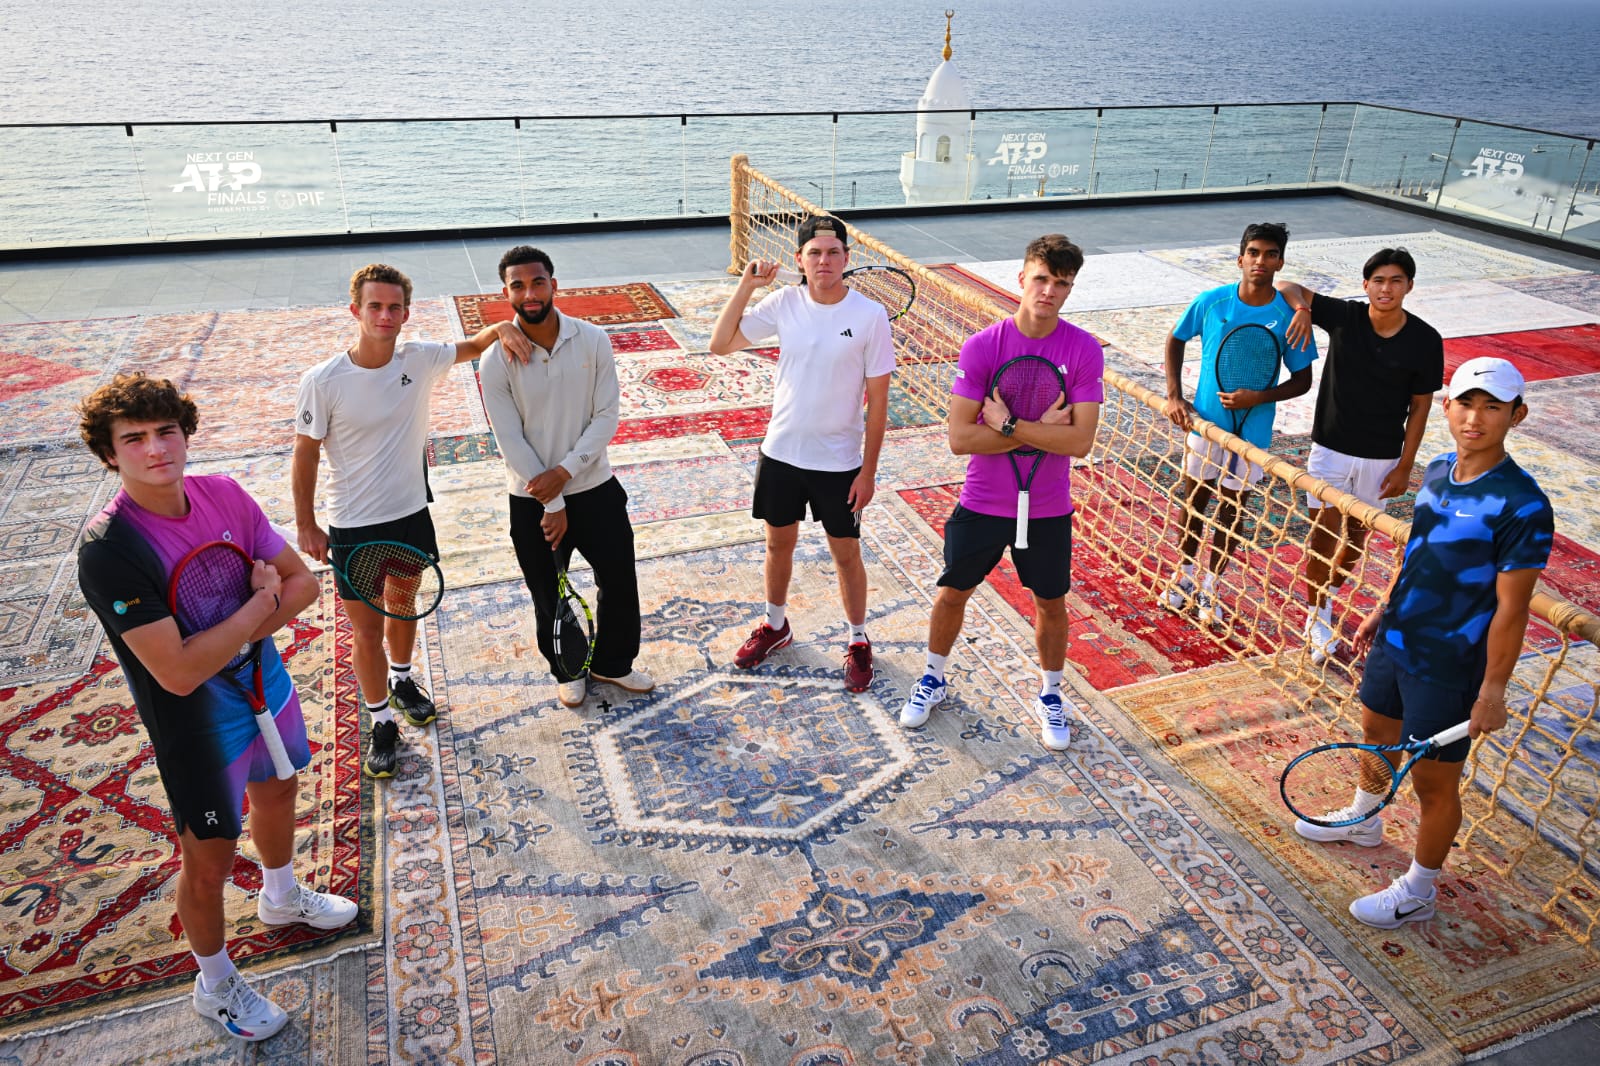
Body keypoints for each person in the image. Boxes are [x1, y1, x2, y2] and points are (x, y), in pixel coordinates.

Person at [76, 373, 357, 1043]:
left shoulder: (224, 495)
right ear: (110, 455)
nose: (155, 450)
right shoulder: (109, 549)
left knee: (281, 787)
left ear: (185, 434)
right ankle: (215, 983)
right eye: (134, 440)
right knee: (209, 854)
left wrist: (240, 626)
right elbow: (178, 671)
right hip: (197, 721)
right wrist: (259, 606)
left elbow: (306, 587)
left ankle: (282, 897)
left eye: (166, 432)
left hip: (264, 681)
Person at [1295, 357, 1551, 929]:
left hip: (1450, 662)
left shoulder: (1523, 504)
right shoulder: (1436, 470)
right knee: (1376, 733)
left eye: (1493, 407)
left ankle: (1419, 889)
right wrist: (1384, 608)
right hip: (1398, 638)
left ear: (1518, 415)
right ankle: (1365, 819)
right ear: (1448, 407)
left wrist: (1492, 690)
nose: (1476, 418)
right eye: (1466, 403)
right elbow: (1419, 552)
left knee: (1435, 782)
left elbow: (1512, 610)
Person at [293, 264, 530, 778]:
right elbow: (305, 454)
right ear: (355, 311)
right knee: (366, 630)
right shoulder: (324, 381)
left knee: (404, 609)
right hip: (355, 527)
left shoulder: (419, 359)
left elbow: (475, 344)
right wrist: (307, 524)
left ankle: (402, 681)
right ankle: (380, 721)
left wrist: (503, 328)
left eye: (394, 307)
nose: (385, 315)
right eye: (374, 306)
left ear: (406, 312)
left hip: (410, 516)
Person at [898, 234, 1103, 749]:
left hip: (1048, 508)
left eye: (1061, 283)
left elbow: (1079, 441)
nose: (1049, 291)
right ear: (1021, 278)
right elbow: (959, 438)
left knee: (1051, 604)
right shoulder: (983, 346)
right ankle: (933, 677)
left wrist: (1011, 425)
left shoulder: (1082, 349)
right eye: (1041, 279)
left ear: (1070, 288)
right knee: (951, 594)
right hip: (982, 501)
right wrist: (1041, 429)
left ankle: (1051, 694)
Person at [709, 215, 895, 691]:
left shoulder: (870, 316)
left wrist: (868, 472)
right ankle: (776, 625)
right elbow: (720, 344)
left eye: (833, 253)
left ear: (847, 259)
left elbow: (878, 405)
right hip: (782, 453)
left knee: (846, 554)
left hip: (838, 463)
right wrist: (748, 287)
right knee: (777, 545)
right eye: (814, 253)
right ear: (800, 260)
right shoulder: (783, 302)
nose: (824, 261)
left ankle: (857, 639)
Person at [478, 245, 652, 707]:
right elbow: (508, 437)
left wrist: (566, 472)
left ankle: (613, 664)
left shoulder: (593, 339)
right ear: (506, 292)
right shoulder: (495, 359)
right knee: (546, 591)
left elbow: (606, 416)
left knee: (618, 580)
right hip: (531, 499)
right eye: (518, 285)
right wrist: (551, 500)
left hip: (595, 488)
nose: (529, 293)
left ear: (555, 285)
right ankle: (567, 668)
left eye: (537, 282)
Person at [1275, 248, 1443, 664]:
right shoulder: (1344, 316)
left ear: (1409, 287)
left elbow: (1421, 407)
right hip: (1330, 450)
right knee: (1323, 535)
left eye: (1396, 281)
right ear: (1366, 285)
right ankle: (1317, 615)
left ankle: (1328, 594)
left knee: (1355, 540)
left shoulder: (1425, 340)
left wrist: (1405, 465)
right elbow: (1285, 285)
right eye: (1379, 280)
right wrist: (1302, 309)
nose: (1387, 288)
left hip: (1382, 458)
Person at [1161, 222, 1318, 627]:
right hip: (1207, 426)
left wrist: (1258, 398)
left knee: (1233, 507)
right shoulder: (1212, 302)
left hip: (1253, 433)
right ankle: (1185, 574)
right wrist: (1175, 395)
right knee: (1194, 498)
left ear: (1280, 261)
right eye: (1253, 252)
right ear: (1240, 258)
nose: (1260, 261)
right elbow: (1176, 339)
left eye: (1269, 254)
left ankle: (1212, 584)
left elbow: (1303, 380)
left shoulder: (1289, 316)